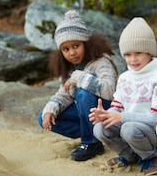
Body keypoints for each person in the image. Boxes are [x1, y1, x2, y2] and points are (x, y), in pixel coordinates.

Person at [89, 17, 157, 176]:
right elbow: (118, 106)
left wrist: (122, 117)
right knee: (99, 128)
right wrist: (106, 115)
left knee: (129, 128)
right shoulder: (124, 77)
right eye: (128, 54)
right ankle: (129, 156)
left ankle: (153, 156)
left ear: (150, 52)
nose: (133, 59)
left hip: (156, 132)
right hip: (130, 127)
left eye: (138, 53)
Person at [38, 10, 118, 161]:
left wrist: (79, 78)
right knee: (44, 116)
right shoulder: (70, 68)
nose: (72, 53)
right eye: (66, 49)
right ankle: (90, 133)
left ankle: (91, 143)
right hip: (89, 116)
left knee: (83, 93)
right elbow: (65, 94)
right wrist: (51, 110)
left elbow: (109, 90)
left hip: (107, 110)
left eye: (76, 46)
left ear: (86, 44)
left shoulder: (101, 62)